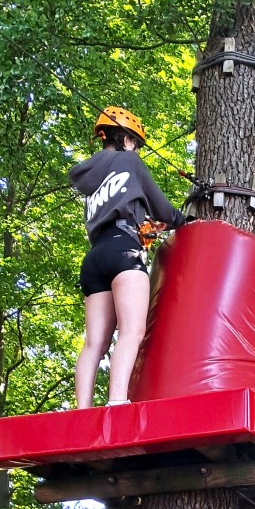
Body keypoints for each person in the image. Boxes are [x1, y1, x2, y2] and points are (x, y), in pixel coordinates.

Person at [69, 107, 185, 408]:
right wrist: (179, 220)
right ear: (125, 139)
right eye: (134, 141)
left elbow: (117, 211)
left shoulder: (93, 182)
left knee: (94, 343)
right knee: (132, 331)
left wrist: (144, 225)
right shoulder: (129, 161)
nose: (136, 148)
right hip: (123, 249)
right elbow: (161, 206)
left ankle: (82, 411)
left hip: (95, 257)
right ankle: (117, 402)